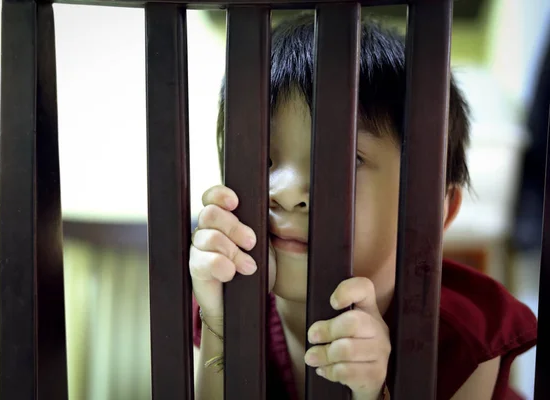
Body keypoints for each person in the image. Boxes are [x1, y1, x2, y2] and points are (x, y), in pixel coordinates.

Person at [188, 14, 537, 400]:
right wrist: (221, 325)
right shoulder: (220, 292)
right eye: (263, 156)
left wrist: (374, 393)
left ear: (434, 211)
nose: (284, 193)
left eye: (342, 162)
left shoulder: (466, 335)